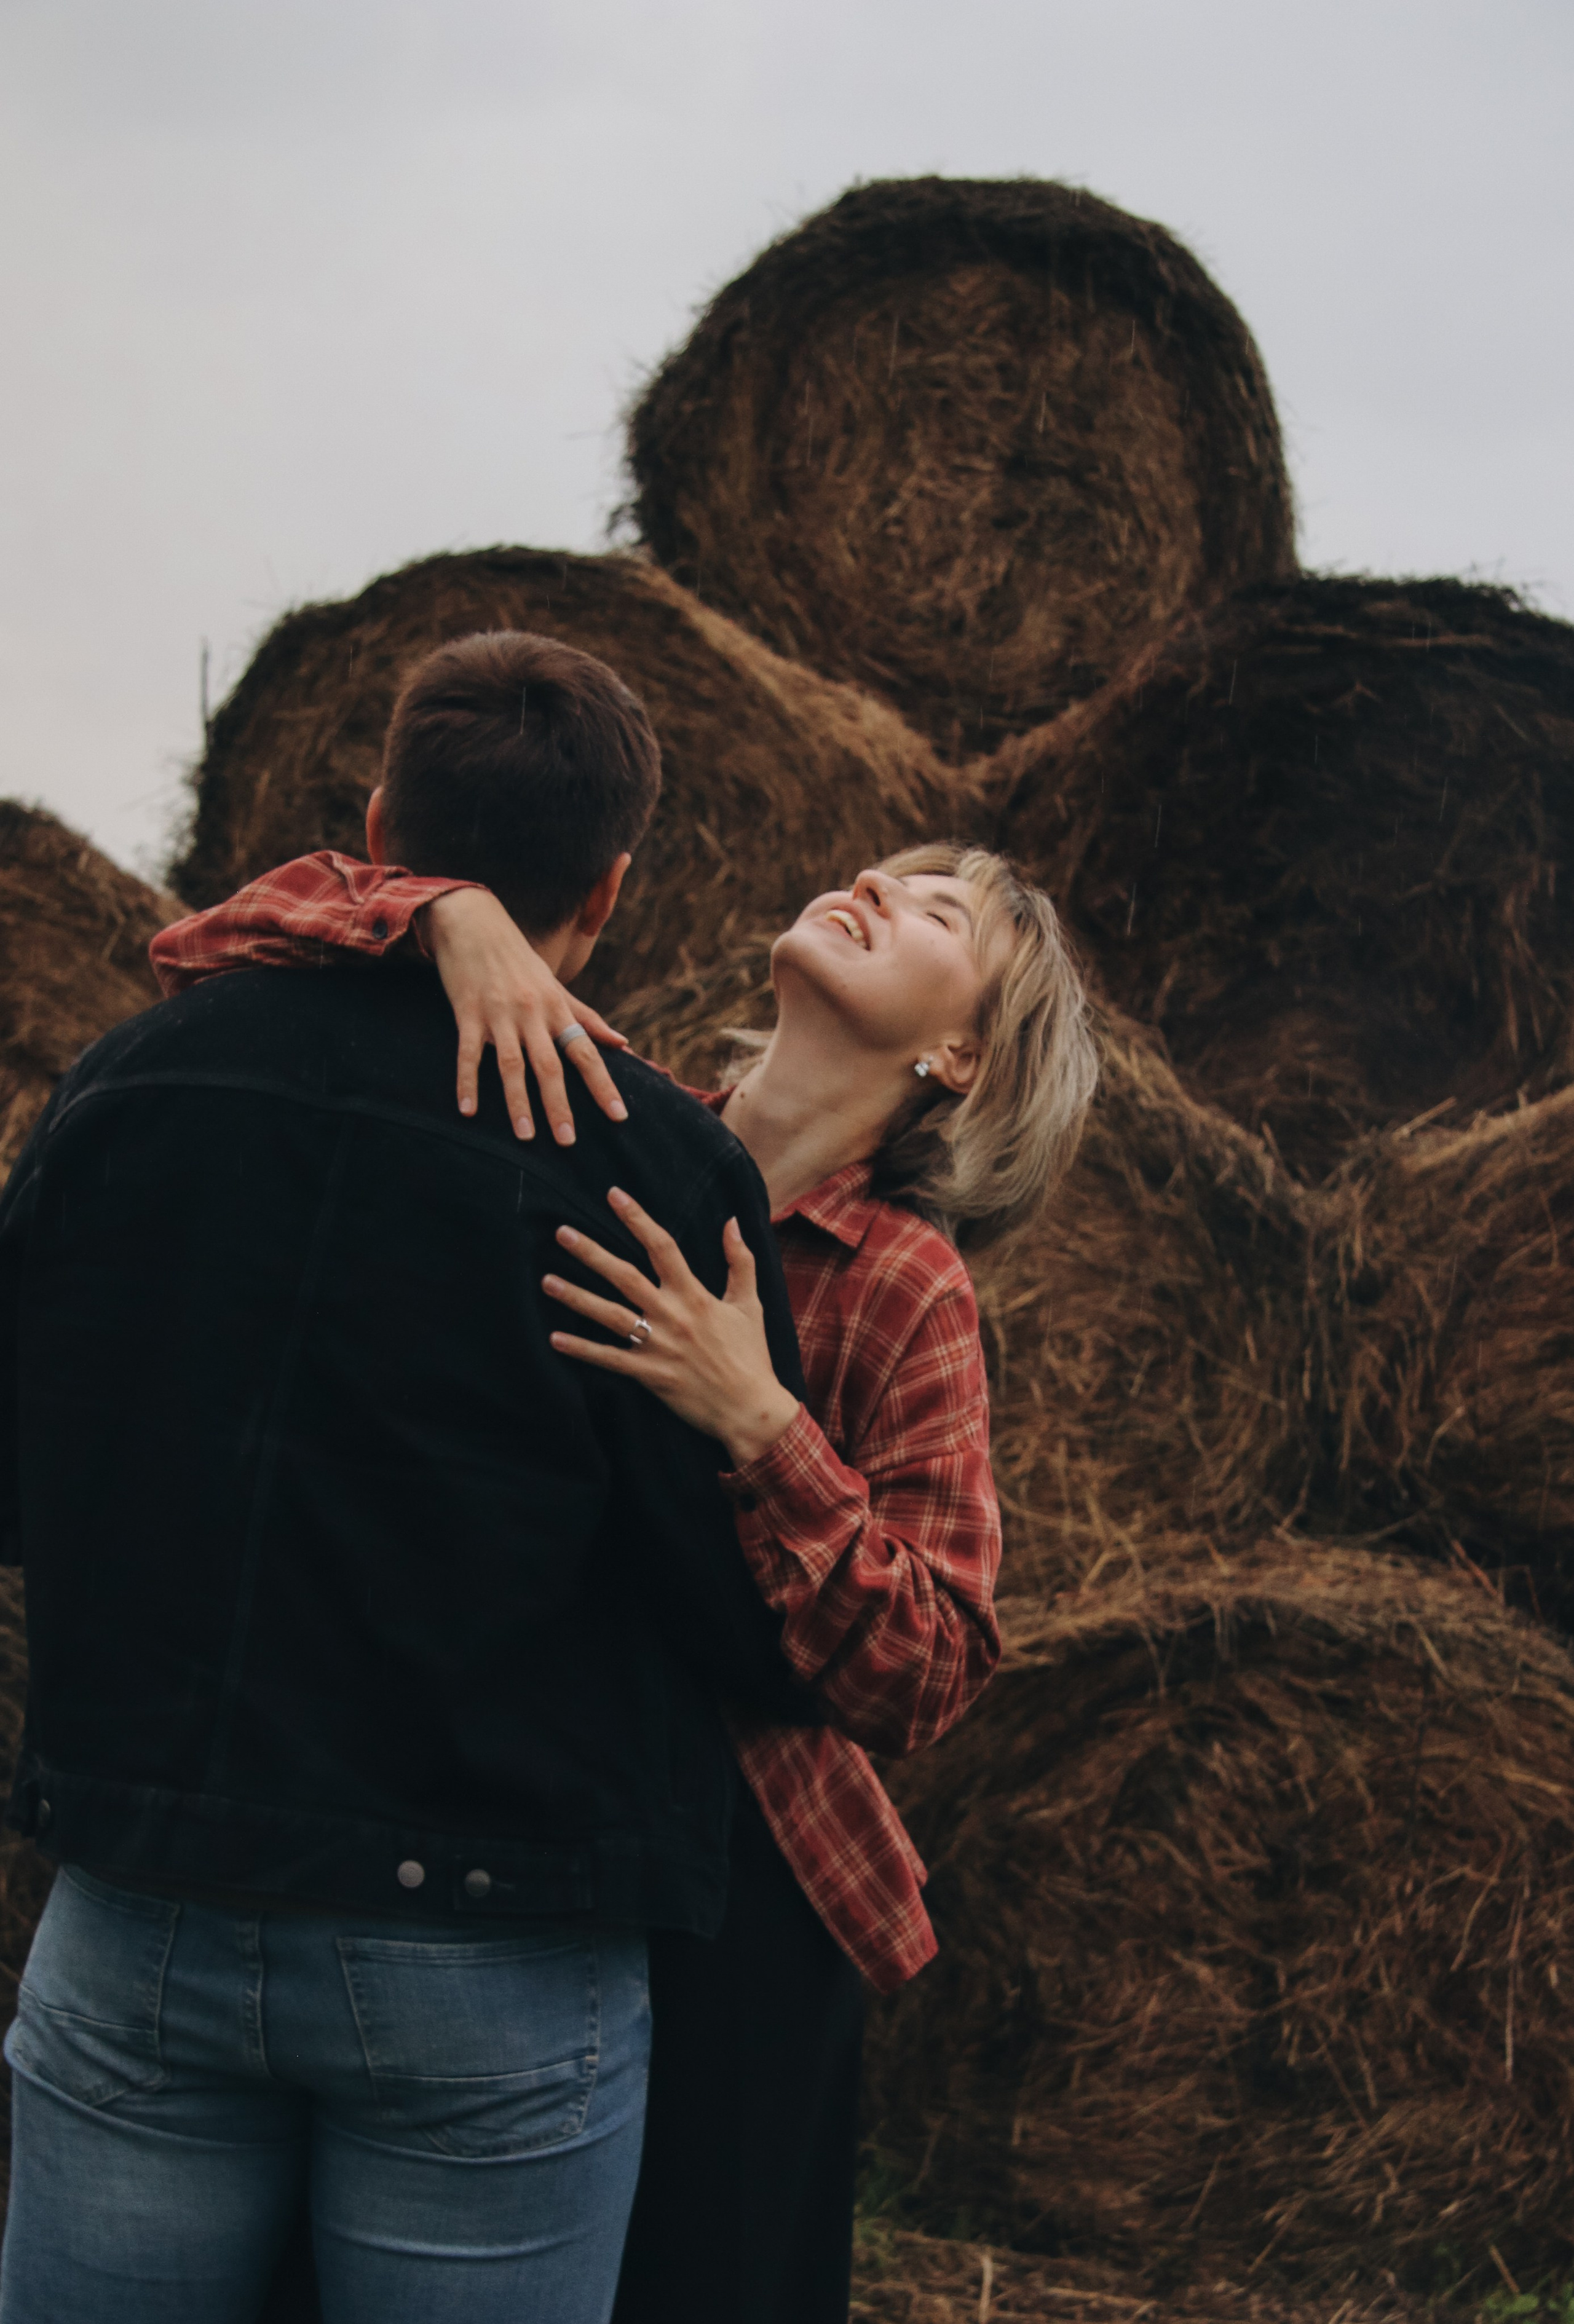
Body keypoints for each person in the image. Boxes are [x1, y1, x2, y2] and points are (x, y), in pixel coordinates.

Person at [153, 768, 1100, 2322]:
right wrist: (449, 916)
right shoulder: (591, 1121)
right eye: (881, 866)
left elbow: (931, 1664)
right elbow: (208, 948)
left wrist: (756, 1415)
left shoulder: (902, 1282)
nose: (874, 883)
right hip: (489, 1812)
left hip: (732, 1888)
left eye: (936, 910)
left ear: (959, 1058)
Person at [0, 631, 826, 2324]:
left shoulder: (134, 1080)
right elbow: (738, 1609)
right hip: (493, 1948)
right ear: (608, 890)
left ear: (378, 824)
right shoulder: (655, 1164)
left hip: (145, 1892)